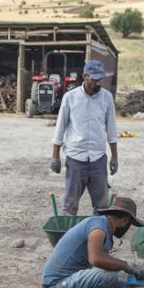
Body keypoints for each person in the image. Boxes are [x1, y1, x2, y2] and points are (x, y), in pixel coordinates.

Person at [41, 196, 144, 288]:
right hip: (57, 287)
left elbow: (95, 267)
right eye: (130, 224)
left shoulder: (104, 229)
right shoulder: (98, 227)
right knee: (109, 274)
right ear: (126, 220)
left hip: (71, 281)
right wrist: (127, 266)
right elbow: (96, 259)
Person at [49, 60, 119, 216]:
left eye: (100, 78)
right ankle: (67, 236)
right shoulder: (70, 97)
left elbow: (112, 129)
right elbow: (60, 128)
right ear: (84, 76)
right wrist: (55, 157)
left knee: (102, 206)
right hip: (75, 159)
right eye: (94, 78)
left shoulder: (106, 98)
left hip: (98, 159)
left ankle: (99, 236)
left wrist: (114, 157)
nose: (98, 82)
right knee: (70, 205)